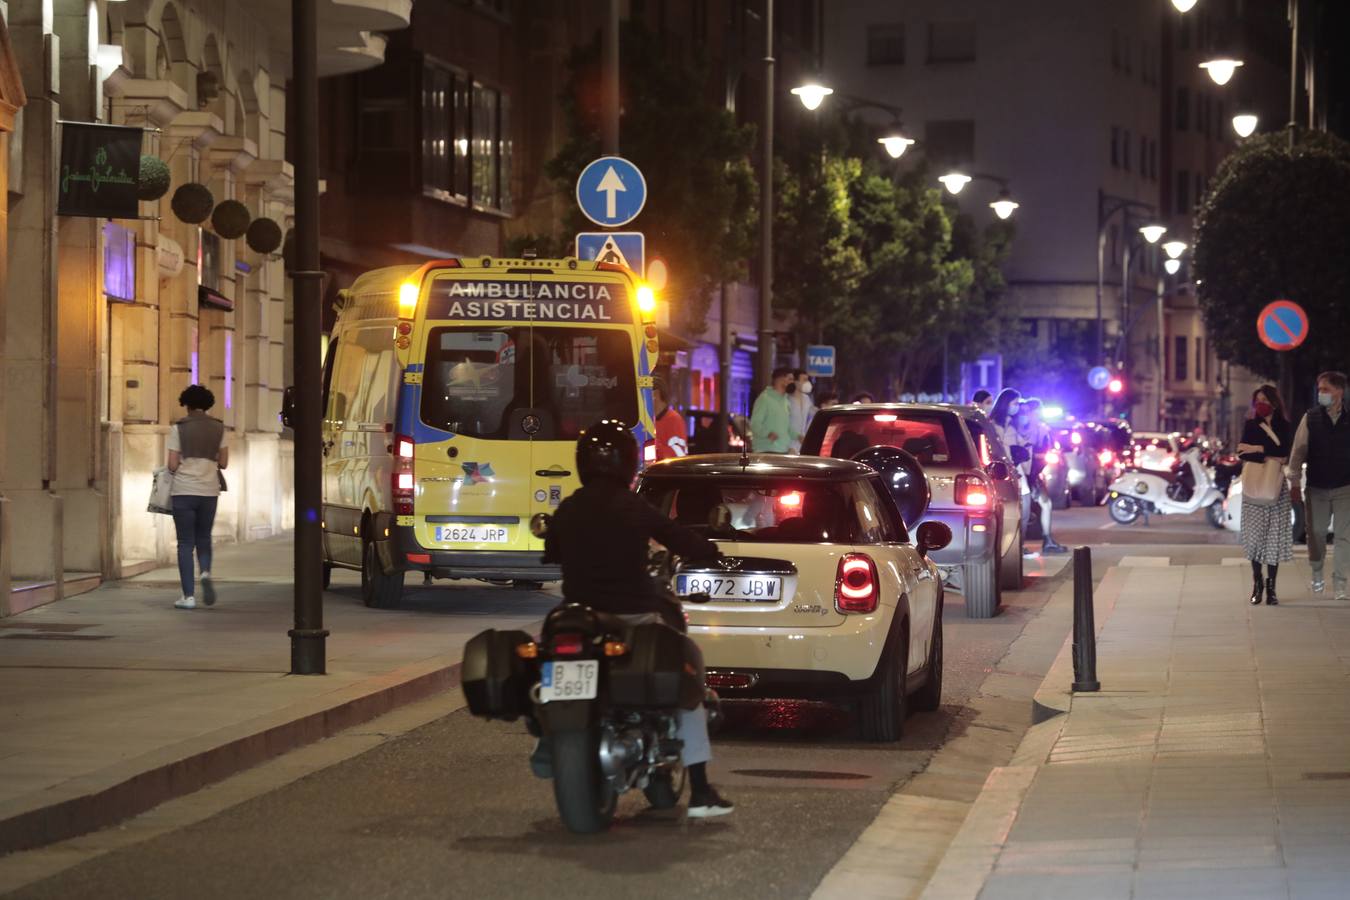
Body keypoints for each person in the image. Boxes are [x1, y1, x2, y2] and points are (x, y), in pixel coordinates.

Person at [542, 420, 733, 817]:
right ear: (628, 462)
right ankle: (700, 790)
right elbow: (680, 538)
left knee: (549, 657)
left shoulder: (570, 507)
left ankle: (547, 738)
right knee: (687, 678)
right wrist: (708, 550)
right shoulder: (634, 507)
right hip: (633, 613)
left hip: (579, 614)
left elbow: (552, 552)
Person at [1288, 371, 1350, 600]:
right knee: (1316, 534)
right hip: (1317, 487)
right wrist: (1295, 482)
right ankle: (1317, 572)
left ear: (1339, 391)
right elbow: (1298, 451)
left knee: (1344, 537)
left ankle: (1340, 583)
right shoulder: (1310, 418)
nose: (1320, 393)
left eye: (1325, 389)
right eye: (1319, 389)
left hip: (1345, 487)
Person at [167, 384, 228, 610]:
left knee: (185, 543)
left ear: (187, 405)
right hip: (209, 491)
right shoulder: (219, 428)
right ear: (208, 404)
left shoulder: (179, 428)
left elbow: (172, 464)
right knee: (204, 537)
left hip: (184, 491)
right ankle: (205, 572)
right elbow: (224, 462)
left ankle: (188, 596)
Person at [1237, 385, 1293, 605]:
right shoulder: (1251, 424)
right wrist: (1265, 453)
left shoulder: (1284, 426)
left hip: (1276, 489)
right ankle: (1257, 583)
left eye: (1265, 400)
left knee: (1273, 540)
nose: (1261, 404)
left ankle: (1272, 589)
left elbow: (1284, 452)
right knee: (1254, 539)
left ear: (1274, 402)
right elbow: (1242, 452)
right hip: (1254, 487)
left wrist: (1258, 448)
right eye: (1257, 400)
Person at [1018, 398, 1067, 554]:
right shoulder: (1034, 429)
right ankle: (1031, 542)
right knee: (1028, 509)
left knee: (1043, 504)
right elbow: (1038, 452)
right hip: (1025, 473)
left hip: (1030, 473)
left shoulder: (1029, 428)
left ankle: (1044, 539)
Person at [750, 367, 794, 452]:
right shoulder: (764, 399)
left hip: (782, 450)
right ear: (780, 379)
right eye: (790, 379)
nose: (792, 382)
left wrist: (798, 436)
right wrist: (768, 433)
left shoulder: (786, 401)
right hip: (765, 450)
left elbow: (787, 427)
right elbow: (755, 423)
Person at [651, 379, 689, 461]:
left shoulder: (674, 420)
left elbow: (680, 455)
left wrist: (653, 446)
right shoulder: (650, 420)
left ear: (656, 394)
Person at [787, 369, 816, 453]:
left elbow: (813, 412)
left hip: (802, 442)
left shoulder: (806, 399)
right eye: (804, 380)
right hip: (789, 442)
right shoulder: (787, 399)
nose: (807, 383)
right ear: (795, 382)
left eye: (807, 380)